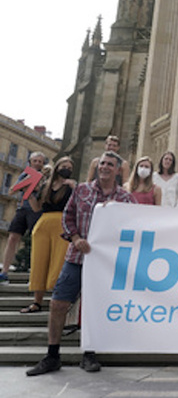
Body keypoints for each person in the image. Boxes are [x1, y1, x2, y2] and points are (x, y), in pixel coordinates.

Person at [26, 151, 136, 376]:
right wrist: (75, 239)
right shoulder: (82, 190)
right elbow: (68, 217)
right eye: (102, 163)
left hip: (106, 263)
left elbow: (136, 226)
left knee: (94, 308)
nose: (104, 167)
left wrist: (119, 215)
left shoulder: (125, 199)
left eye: (110, 164)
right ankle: (52, 355)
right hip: (76, 258)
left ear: (117, 170)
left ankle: (89, 353)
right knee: (58, 304)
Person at [20, 157, 76, 313]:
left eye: (70, 168)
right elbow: (37, 208)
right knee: (39, 262)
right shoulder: (45, 186)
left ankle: (56, 301)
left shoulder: (71, 187)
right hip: (43, 224)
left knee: (58, 263)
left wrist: (75, 188)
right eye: (64, 166)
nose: (67, 169)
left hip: (62, 224)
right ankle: (36, 302)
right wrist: (29, 194)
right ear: (57, 167)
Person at [0, 152, 46, 285]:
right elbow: (12, 190)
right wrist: (26, 183)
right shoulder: (24, 174)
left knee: (36, 241)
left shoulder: (44, 176)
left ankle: (35, 272)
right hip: (22, 209)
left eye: (40, 161)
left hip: (35, 210)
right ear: (30, 162)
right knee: (12, 238)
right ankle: (5, 271)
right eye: (35, 161)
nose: (37, 163)